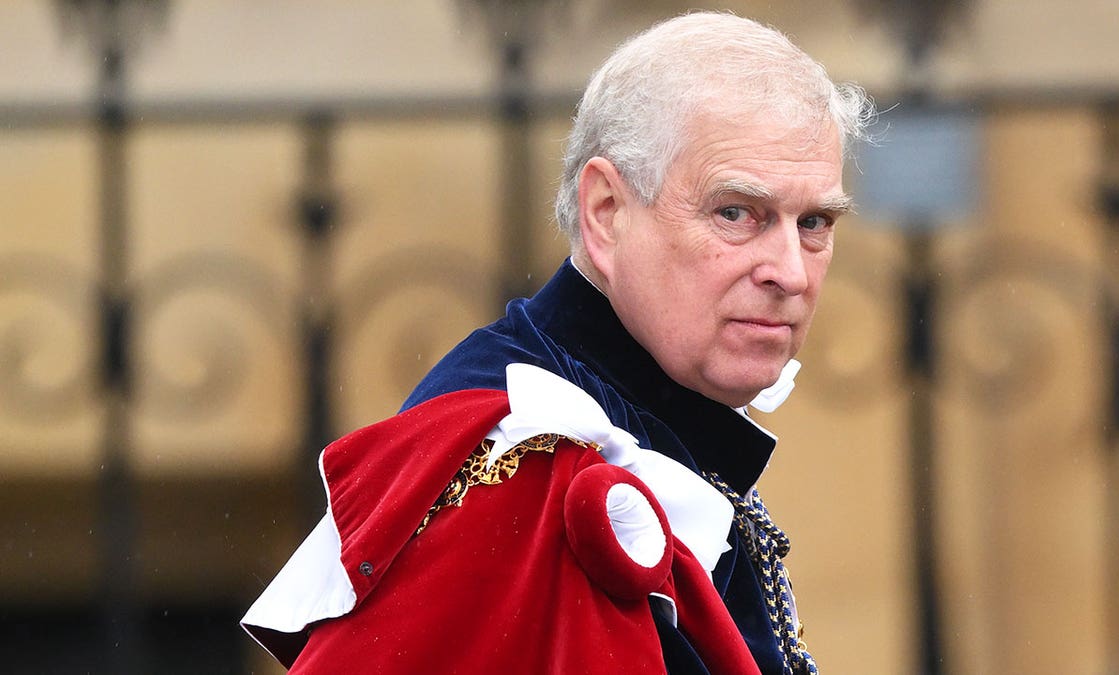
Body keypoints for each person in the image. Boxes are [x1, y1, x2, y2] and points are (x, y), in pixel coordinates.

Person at [243, 11, 870, 674]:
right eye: (737, 213)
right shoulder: (521, 463)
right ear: (606, 213)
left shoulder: (663, 422)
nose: (790, 272)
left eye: (815, 223)